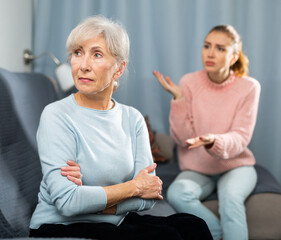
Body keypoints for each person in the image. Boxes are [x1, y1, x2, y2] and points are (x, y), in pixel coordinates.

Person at [29, 15, 213, 240]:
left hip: (115, 222)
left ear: (119, 69)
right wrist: (133, 187)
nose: (83, 65)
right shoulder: (56, 115)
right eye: (77, 53)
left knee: (193, 225)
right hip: (59, 225)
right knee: (166, 237)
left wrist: (97, 201)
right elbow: (68, 204)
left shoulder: (132, 118)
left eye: (96, 54)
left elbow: (150, 196)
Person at [153, 25, 260, 240]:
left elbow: (241, 136)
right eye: (207, 46)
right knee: (177, 193)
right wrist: (179, 100)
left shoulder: (249, 87)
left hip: (237, 165)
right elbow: (182, 140)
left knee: (230, 197)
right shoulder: (188, 83)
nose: (210, 53)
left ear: (233, 57)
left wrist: (215, 141)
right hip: (198, 167)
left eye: (220, 49)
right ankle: (214, 233)